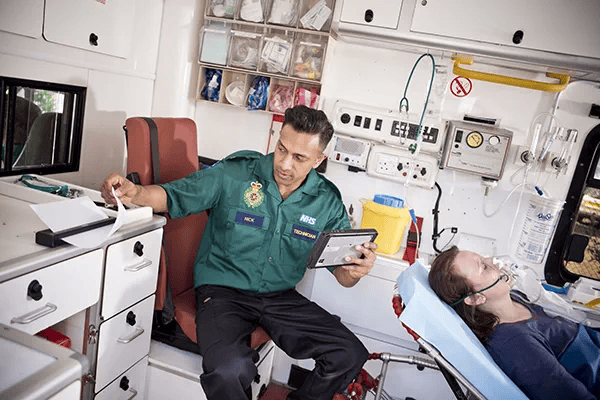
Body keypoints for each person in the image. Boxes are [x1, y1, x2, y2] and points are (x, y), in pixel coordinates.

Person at [100, 105, 377, 400]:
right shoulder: (236, 173)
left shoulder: (327, 202)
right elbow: (173, 195)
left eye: (299, 158)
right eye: (282, 149)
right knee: (229, 370)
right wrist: (134, 192)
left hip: (279, 296)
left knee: (348, 353)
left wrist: (356, 271)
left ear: (319, 159)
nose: (285, 164)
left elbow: (344, 275)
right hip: (223, 291)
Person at [428, 246, 600, 400]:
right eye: (483, 267)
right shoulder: (516, 344)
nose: (492, 261)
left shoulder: (516, 298)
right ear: (475, 298)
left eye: (484, 258)